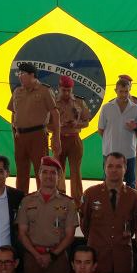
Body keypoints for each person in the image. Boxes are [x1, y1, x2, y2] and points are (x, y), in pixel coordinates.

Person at [80, 152, 137, 273]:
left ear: (125, 169)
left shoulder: (134, 197)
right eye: (110, 166)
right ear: (104, 168)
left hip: (123, 259)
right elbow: (85, 224)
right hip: (99, 258)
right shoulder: (91, 193)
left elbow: (134, 226)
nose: (114, 170)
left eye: (119, 166)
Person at [16, 156, 77, 273]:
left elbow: (70, 235)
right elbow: (22, 233)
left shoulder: (68, 203)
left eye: (53, 173)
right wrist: (36, 255)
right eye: (44, 172)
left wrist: (52, 255)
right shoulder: (27, 201)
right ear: (38, 175)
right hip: (32, 258)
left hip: (58, 259)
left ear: (59, 176)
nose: (48, 176)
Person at [7, 62, 61, 193]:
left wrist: (56, 137)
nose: (20, 77)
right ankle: (20, 201)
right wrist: (14, 131)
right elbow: (13, 112)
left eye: (23, 74)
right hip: (20, 136)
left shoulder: (44, 90)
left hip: (38, 135)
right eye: (19, 74)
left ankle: (42, 200)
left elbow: (55, 113)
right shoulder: (17, 91)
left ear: (32, 75)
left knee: (41, 170)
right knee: (21, 171)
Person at [98, 78, 137, 190]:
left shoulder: (136, 108)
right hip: (109, 152)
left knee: (131, 183)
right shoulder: (106, 108)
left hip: (129, 153)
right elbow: (101, 130)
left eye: (126, 92)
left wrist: (130, 138)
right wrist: (111, 140)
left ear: (129, 90)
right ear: (115, 90)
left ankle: (131, 206)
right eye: (121, 91)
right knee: (108, 183)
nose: (123, 94)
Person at [52, 75, 90, 204]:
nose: (66, 93)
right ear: (59, 88)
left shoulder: (79, 102)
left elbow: (87, 122)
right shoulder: (53, 102)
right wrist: (58, 125)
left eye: (69, 90)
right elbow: (45, 123)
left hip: (74, 140)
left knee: (75, 172)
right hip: (58, 138)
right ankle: (59, 200)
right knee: (58, 171)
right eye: (64, 90)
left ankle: (77, 203)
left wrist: (76, 124)